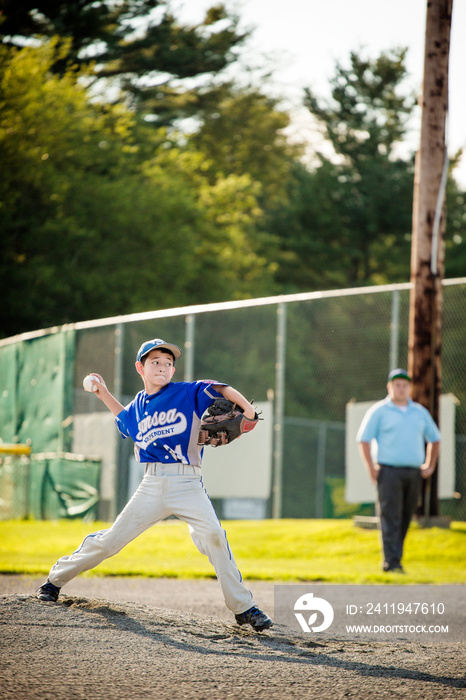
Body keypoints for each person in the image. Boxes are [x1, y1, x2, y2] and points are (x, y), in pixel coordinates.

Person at [37, 338, 273, 632]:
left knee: (214, 535)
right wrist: (103, 392)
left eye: (168, 363)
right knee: (111, 541)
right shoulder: (137, 406)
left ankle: (243, 608)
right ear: (141, 367)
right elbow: (124, 420)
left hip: (188, 483)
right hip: (151, 485)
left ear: (174, 370)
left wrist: (247, 410)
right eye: (155, 362)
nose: (163, 367)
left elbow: (222, 390)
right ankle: (54, 581)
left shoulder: (187, 393)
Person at [357, 368, 441, 573]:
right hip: (388, 472)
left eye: (404, 385)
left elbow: (434, 438)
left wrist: (429, 465)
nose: (401, 388)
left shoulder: (419, 412)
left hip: (413, 472)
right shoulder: (379, 411)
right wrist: (371, 468)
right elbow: (363, 440)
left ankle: (396, 558)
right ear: (390, 386)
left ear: (409, 387)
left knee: (405, 516)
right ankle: (391, 562)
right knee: (390, 515)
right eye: (397, 385)